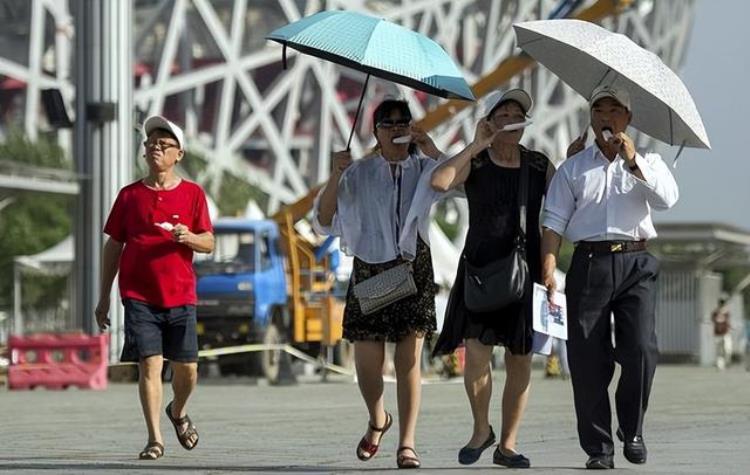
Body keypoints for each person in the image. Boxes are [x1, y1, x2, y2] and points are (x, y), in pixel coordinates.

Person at [541, 85, 679, 469]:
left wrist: (634, 162)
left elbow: (668, 199)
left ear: (628, 119)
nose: (605, 117)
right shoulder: (573, 168)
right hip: (589, 263)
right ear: (590, 117)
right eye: (598, 109)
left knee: (640, 350)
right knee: (586, 360)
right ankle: (599, 449)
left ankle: (632, 429)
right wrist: (549, 268)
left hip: (637, 263)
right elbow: (552, 222)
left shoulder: (649, 162)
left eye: (614, 110)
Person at [313, 99, 443, 469]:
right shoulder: (359, 172)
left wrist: (432, 148)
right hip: (371, 267)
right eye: (389, 123)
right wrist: (336, 174)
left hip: (413, 264)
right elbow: (323, 219)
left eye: (404, 121)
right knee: (367, 366)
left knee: (408, 361)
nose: (398, 128)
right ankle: (378, 419)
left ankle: (407, 442)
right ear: (376, 131)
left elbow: (459, 182)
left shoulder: (424, 167)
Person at [430, 89, 555, 468]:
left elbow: (565, 203)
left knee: (520, 358)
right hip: (481, 270)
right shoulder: (478, 162)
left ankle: (508, 444)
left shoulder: (537, 164)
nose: (513, 119)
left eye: (519, 113)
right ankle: (481, 429)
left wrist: (550, 268)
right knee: (477, 355)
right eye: (505, 114)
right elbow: (440, 181)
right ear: (490, 122)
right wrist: (474, 145)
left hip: (525, 271)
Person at [95, 116, 214, 460]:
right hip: (138, 296)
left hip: (180, 295)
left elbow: (208, 242)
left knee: (187, 369)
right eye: (150, 144)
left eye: (164, 145)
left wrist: (188, 237)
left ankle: (177, 411)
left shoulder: (193, 194)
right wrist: (104, 296)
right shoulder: (129, 196)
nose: (155, 149)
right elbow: (113, 247)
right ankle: (154, 439)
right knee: (149, 365)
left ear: (179, 154)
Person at [711, 298, 732, 370]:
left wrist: (730, 327)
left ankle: (726, 362)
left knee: (727, 349)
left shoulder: (726, 312)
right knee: (719, 350)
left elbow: (727, 321)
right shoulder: (715, 312)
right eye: (721, 304)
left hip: (725, 333)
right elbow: (714, 320)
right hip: (718, 334)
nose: (722, 306)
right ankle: (720, 365)